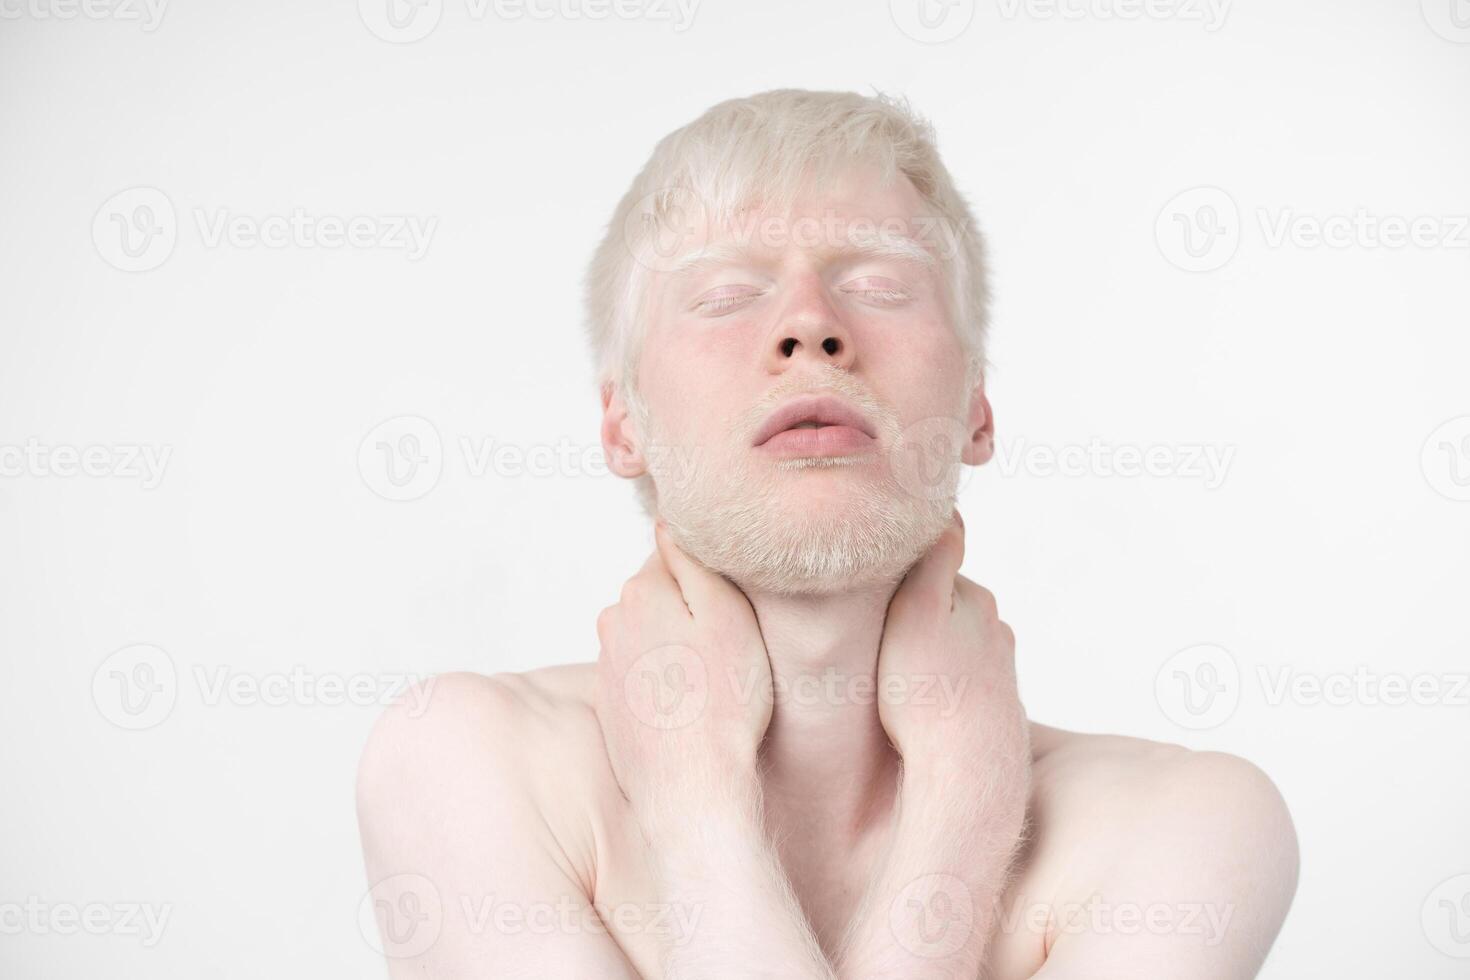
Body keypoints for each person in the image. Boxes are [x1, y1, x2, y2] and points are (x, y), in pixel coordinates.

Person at [356, 89, 1299, 979]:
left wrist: (962, 808)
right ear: (622, 425)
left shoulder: (1190, 825)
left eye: (881, 284)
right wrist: (698, 803)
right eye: (727, 295)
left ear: (976, 406)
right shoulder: (461, 763)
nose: (810, 325)